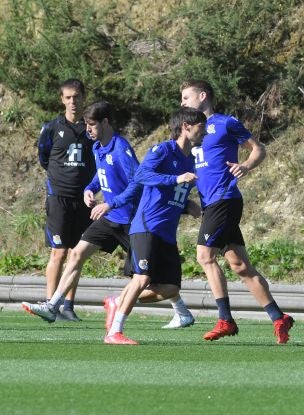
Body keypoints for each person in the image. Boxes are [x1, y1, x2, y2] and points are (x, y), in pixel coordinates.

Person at [22, 102, 194, 327]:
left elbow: (137, 182)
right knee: (76, 254)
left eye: (92, 125)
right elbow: (100, 174)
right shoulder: (97, 147)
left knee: (150, 278)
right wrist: (89, 188)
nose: (88, 130)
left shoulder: (120, 148)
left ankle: (180, 311)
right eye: (86, 125)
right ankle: (53, 306)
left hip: (131, 221)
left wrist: (111, 204)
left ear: (105, 122)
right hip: (110, 218)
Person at [180, 80, 294, 344]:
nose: (182, 102)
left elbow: (258, 149)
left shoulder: (225, 123)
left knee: (204, 256)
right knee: (240, 265)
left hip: (225, 199)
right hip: (210, 203)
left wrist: (246, 166)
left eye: (186, 97)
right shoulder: (190, 130)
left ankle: (225, 320)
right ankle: (279, 317)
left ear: (202, 96)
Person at [104, 107, 205, 344]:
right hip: (147, 226)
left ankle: (118, 301)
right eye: (201, 128)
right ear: (186, 127)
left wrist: (187, 205)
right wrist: (176, 178)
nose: (205, 133)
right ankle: (114, 332)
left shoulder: (191, 160)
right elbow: (141, 176)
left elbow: (172, 194)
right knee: (141, 279)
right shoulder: (163, 150)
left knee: (171, 288)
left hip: (167, 234)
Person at [35, 79, 96, 321]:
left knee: (76, 253)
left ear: (83, 98)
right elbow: (44, 157)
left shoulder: (91, 129)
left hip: (83, 199)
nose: (73, 102)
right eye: (68, 97)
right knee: (58, 252)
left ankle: (68, 306)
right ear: (62, 99)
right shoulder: (52, 128)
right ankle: (51, 305)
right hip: (58, 197)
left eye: (77, 96)